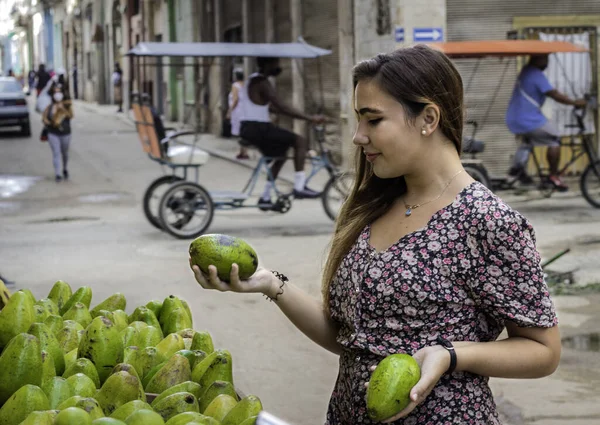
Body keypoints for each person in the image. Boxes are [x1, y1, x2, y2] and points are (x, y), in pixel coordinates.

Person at [190, 45, 561, 424]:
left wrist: (450, 355)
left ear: (428, 118)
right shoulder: (375, 206)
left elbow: (543, 351)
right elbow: (351, 341)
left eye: (373, 120)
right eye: (357, 120)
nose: (358, 136)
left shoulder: (487, 221)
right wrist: (271, 284)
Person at [239, 57, 325, 209]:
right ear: (266, 64)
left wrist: (278, 111)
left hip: (250, 128)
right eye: (275, 63)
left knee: (282, 154)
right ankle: (299, 187)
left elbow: (269, 107)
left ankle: (265, 197)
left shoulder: (252, 80)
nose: (278, 66)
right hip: (258, 128)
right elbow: (281, 105)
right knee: (300, 141)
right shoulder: (262, 82)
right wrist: (309, 117)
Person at [505, 54, 586, 191]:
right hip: (527, 119)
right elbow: (553, 94)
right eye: (546, 60)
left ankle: (517, 171)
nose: (547, 63)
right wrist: (574, 102)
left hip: (517, 118)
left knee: (527, 143)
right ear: (538, 59)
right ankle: (553, 177)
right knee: (554, 137)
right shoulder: (535, 74)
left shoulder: (526, 71)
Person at [42, 82, 73, 182]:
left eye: (59, 92)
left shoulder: (67, 105)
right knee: (56, 152)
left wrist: (63, 110)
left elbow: (71, 116)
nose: (57, 94)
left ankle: (64, 169)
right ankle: (58, 174)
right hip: (53, 133)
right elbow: (44, 118)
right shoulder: (49, 106)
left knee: (65, 153)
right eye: (55, 92)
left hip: (65, 133)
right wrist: (50, 122)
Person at [226, 70, 249, 160]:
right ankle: (244, 151)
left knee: (240, 131)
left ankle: (243, 152)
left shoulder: (235, 86)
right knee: (244, 131)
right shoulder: (246, 85)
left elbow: (235, 99)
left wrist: (229, 111)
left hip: (238, 111)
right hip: (245, 110)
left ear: (236, 77)